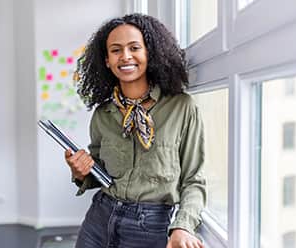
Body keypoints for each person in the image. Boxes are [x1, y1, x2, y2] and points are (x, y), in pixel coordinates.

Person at [65, 13, 206, 248]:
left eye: (134, 47)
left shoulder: (182, 107)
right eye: (116, 50)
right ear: (107, 60)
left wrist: (184, 226)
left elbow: (194, 179)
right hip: (99, 219)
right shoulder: (103, 114)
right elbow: (99, 173)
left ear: (149, 53)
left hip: (150, 228)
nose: (125, 56)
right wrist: (80, 172)